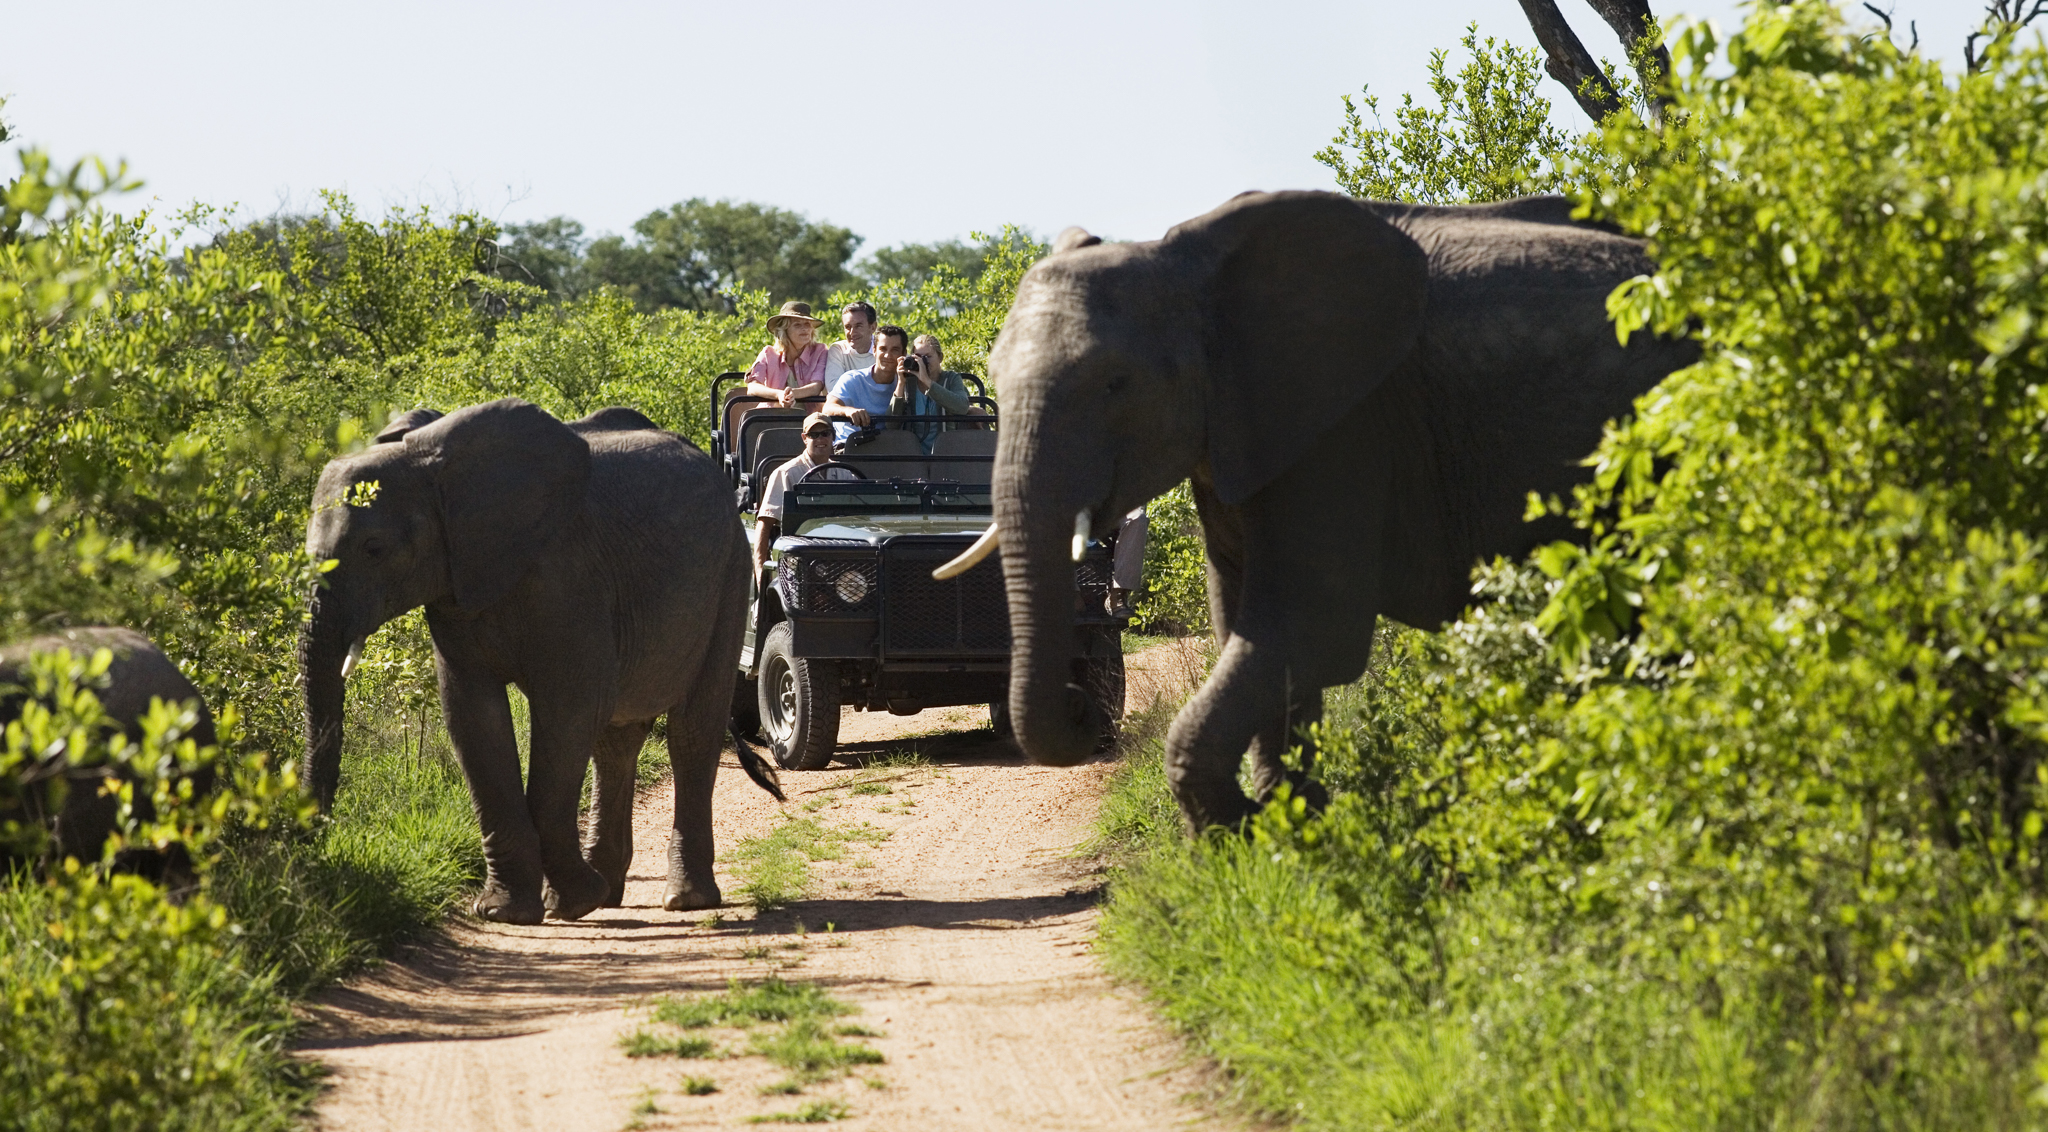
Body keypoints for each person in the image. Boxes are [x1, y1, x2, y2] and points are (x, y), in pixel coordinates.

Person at [752, 412, 857, 567]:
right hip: (796, 559)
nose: (820, 439)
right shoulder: (786, 474)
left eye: (825, 433)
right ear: (804, 438)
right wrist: (760, 570)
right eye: (814, 435)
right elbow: (765, 523)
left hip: (839, 557)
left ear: (833, 437)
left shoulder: (845, 474)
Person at [822, 324, 911, 443]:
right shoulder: (852, 379)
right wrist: (848, 411)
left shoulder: (908, 384)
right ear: (874, 350)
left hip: (888, 449)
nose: (887, 355)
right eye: (883, 349)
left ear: (904, 354)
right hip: (850, 447)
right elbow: (827, 408)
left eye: (894, 350)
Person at [894, 334, 978, 451]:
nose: (923, 362)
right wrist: (901, 383)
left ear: (940, 357)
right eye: (919, 357)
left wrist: (928, 382)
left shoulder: (951, 379)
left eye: (928, 356)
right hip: (914, 457)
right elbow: (891, 424)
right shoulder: (909, 383)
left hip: (947, 454)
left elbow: (962, 407)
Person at [744, 301, 828, 408]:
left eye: (807, 324)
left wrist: (792, 394)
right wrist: (778, 394)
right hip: (770, 418)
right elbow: (752, 387)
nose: (804, 329)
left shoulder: (820, 351)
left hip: (809, 419)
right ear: (784, 330)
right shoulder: (768, 353)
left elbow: (816, 386)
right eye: (797, 325)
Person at [822, 301, 877, 390]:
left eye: (858, 326)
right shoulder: (838, 350)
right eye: (848, 327)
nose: (852, 332)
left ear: (873, 327)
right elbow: (834, 388)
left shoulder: (885, 349)